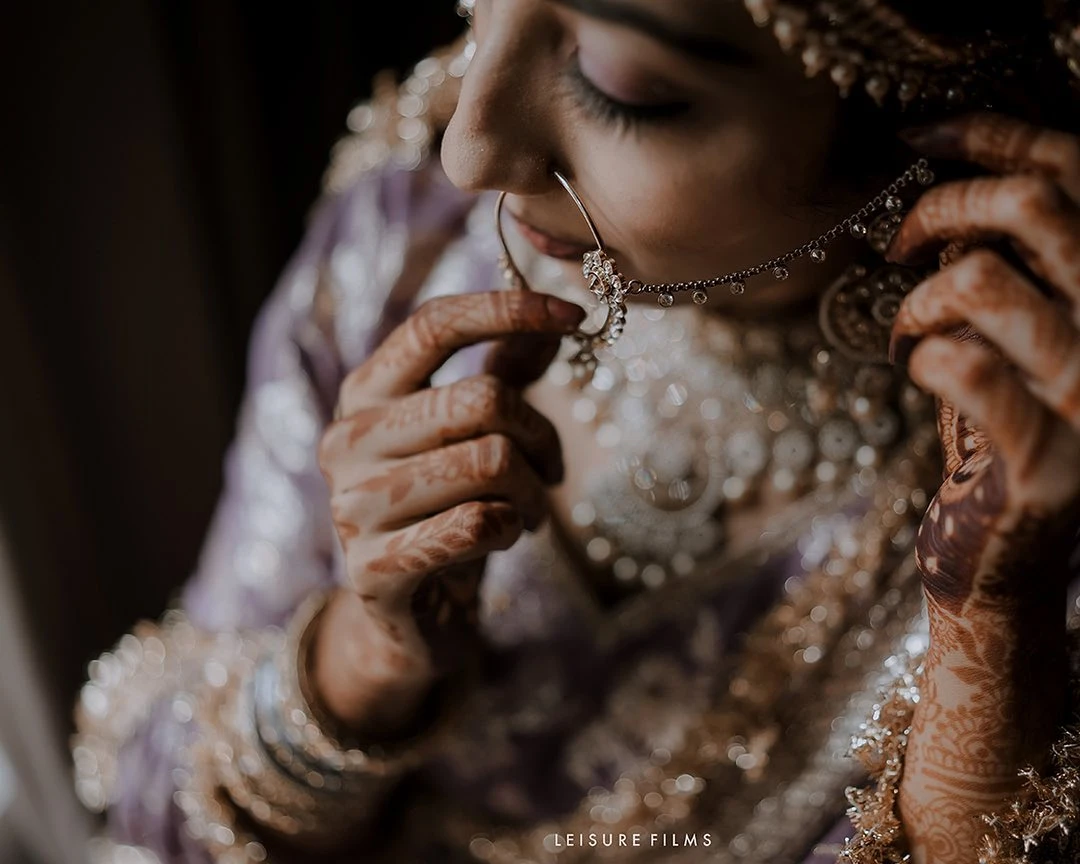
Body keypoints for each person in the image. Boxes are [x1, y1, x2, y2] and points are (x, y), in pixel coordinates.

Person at [72, 1, 1080, 862]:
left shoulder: (1038, 465)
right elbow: (154, 815)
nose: (473, 144)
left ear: (928, 112)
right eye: (481, 3)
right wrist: (361, 662)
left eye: (620, 83)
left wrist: (990, 649)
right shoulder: (408, 244)